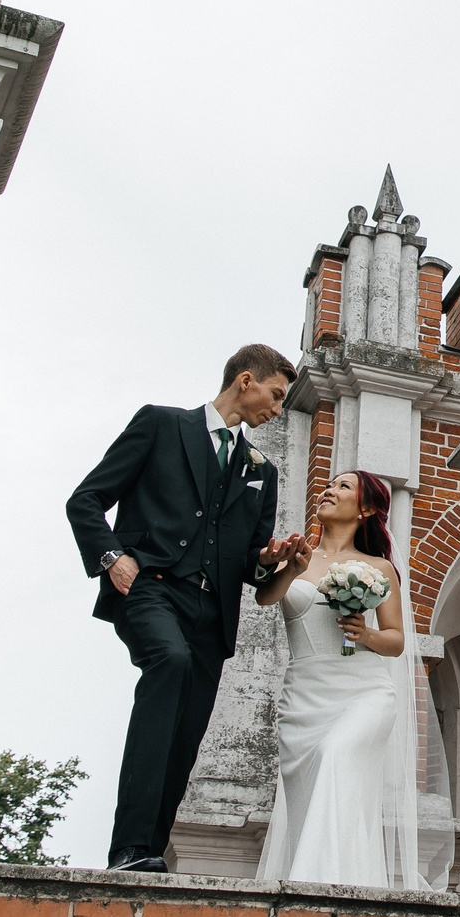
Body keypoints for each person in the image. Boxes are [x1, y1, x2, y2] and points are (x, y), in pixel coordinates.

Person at [67, 343, 310, 873]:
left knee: (187, 731)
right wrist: (111, 558)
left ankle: (147, 853)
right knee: (168, 663)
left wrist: (272, 560)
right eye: (275, 395)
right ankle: (128, 846)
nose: (277, 409)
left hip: (212, 614)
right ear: (245, 381)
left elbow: (248, 563)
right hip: (150, 587)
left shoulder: (262, 471)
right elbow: (85, 500)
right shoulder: (160, 425)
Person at [254, 469, 450, 891]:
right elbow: (265, 597)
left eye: (343, 486)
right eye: (329, 484)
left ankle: (318, 894)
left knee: (336, 757)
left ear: (366, 509)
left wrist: (365, 634)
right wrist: (290, 569)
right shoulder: (296, 555)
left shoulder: (379, 567)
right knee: (310, 798)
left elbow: (396, 641)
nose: (329, 490)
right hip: (304, 696)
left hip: (364, 692)